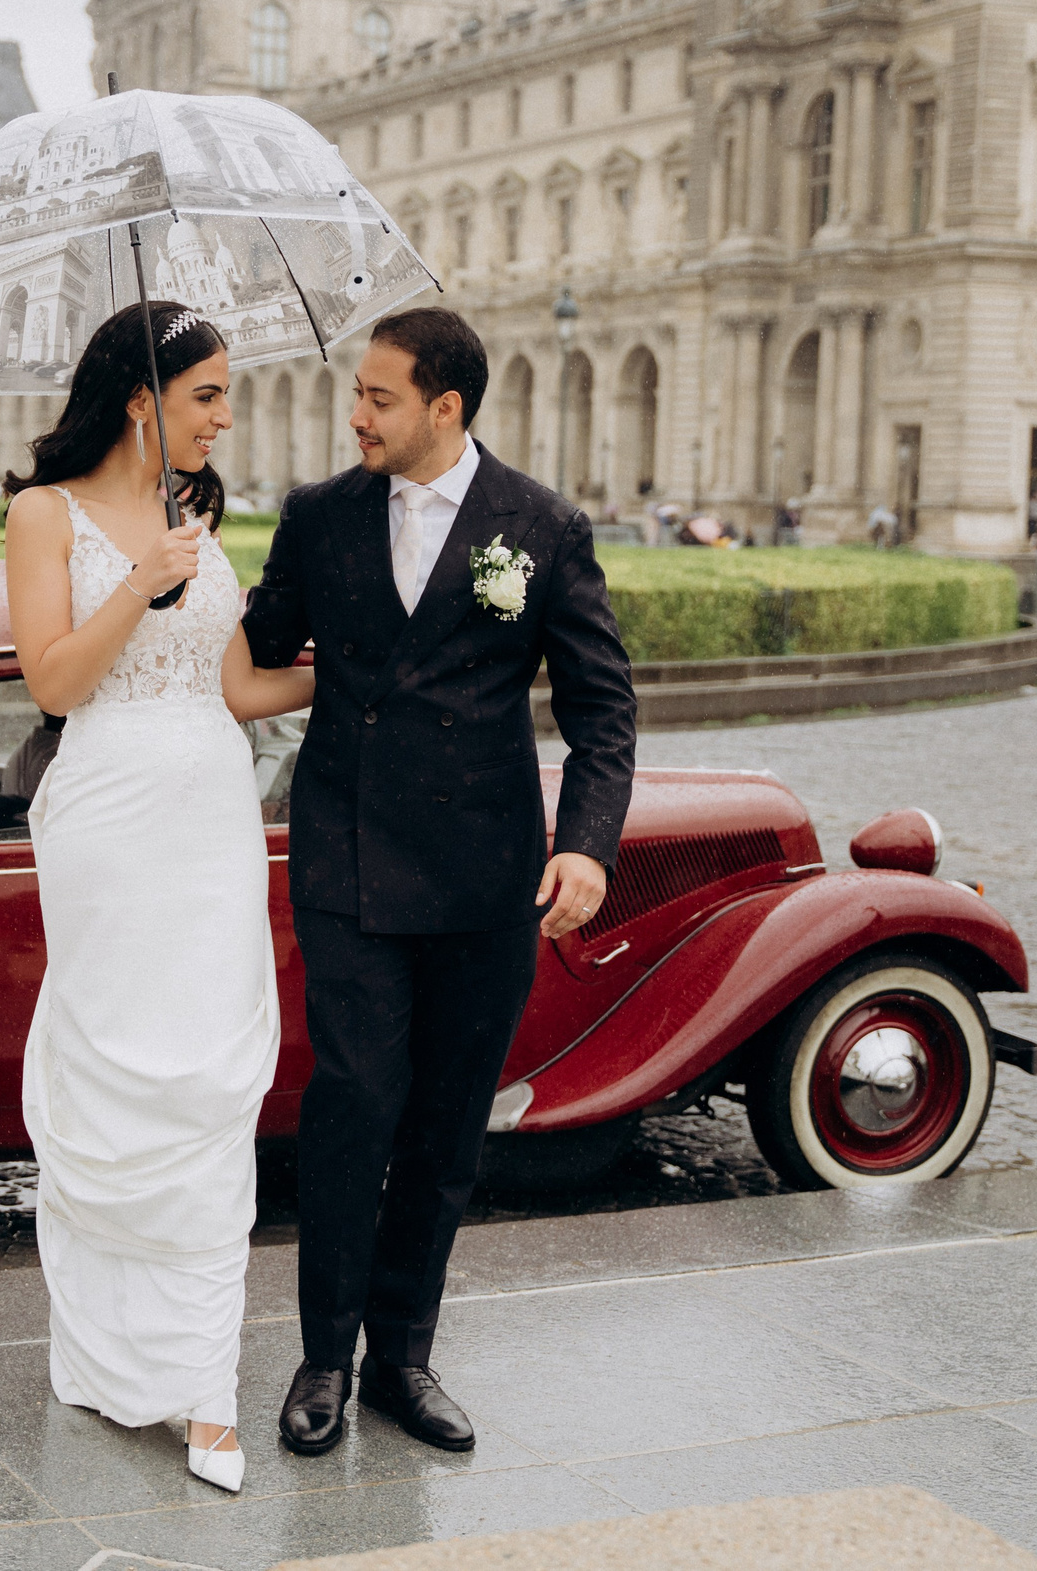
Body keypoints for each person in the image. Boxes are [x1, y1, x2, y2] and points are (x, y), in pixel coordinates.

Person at [243, 306, 637, 1458]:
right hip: (349, 860)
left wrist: (587, 844)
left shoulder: (543, 527)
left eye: (377, 396)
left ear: (445, 408)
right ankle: (325, 1358)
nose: (353, 414)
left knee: (448, 1121)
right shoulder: (319, 517)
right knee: (353, 1105)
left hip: (485, 874)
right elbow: (266, 644)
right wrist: (187, 557)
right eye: (355, 393)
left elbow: (602, 706)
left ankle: (402, 1358)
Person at [1, 301, 314, 1494]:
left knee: (208, 1079)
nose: (227, 416)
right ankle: (102, 1359)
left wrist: (350, 683)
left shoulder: (202, 512)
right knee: (116, 1074)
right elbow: (58, 680)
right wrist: (138, 579)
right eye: (208, 396)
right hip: (107, 824)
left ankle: (201, 1382)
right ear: (142, 401)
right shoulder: (44, 515)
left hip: (211, 822)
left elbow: (228, 684)